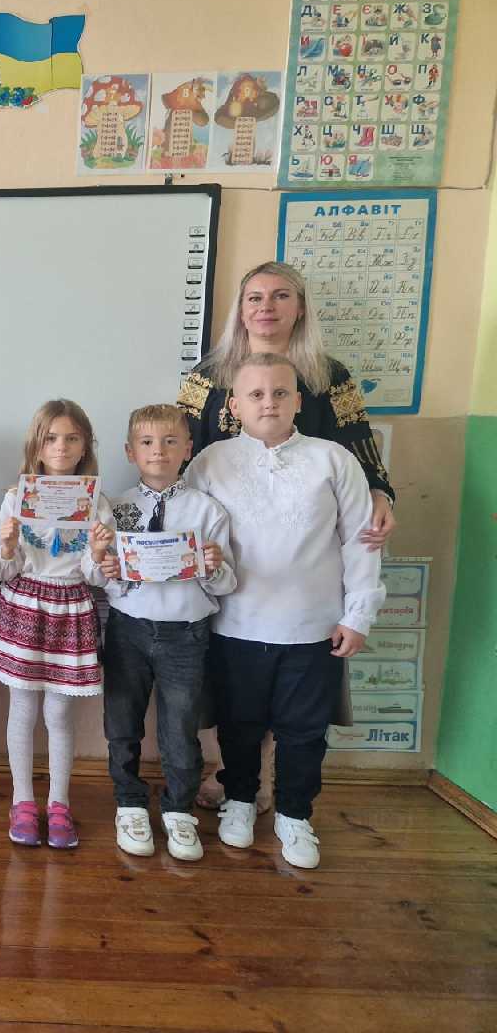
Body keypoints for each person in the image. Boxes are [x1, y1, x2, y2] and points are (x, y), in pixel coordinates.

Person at [177, 261, 397, 812]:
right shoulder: (208, 375)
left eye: (280, 296)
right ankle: (236, 777)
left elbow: (359, 441)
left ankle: (276, 780)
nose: (266, 307)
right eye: (254, 297)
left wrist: (381, 492)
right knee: (233, 684)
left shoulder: (327, 376)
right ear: (240, 309)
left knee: (297, 680)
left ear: (299, 308)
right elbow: (180, 444)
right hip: (229, 557)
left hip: (306, 555)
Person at [185, 353, 385, 869]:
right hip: (235, 624)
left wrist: (358, 615)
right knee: (239, 723)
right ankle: (240, 799)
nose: (268, 403)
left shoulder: (333, 460)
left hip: (314, 627)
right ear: (234, 406)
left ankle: (295, 815)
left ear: (298, 400)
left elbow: (360, 542)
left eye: (279, 393)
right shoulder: (209, 462)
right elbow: (187, 536)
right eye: (255, 394)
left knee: (304, 731)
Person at [85, 405, 236, 861]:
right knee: (121, 722)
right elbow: (98, 578)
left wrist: (213, 566)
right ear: (130, 451)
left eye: (171, 442)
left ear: (188, 449)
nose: (159, 451)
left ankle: (178, 810)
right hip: (128, 630)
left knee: (180, 727)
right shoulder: (115, 508)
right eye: (148, 442)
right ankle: (129, 804)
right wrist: (104, 565)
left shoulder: (207, 510)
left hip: (186, 634)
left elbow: (227, 584)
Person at [0, 400, 111, 850]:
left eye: (72, 438)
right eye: (51, 438)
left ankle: (59, 803)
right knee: (22, 709)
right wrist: (7, 545)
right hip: (25, 605)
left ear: (85, 447)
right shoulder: (14, 499)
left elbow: (97, 577)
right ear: (36, 446)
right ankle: (23, 801)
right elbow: (1, 570)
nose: (61, 447)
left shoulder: (97, 502)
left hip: (70, 609)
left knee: (58, 713)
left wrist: (99, 553)